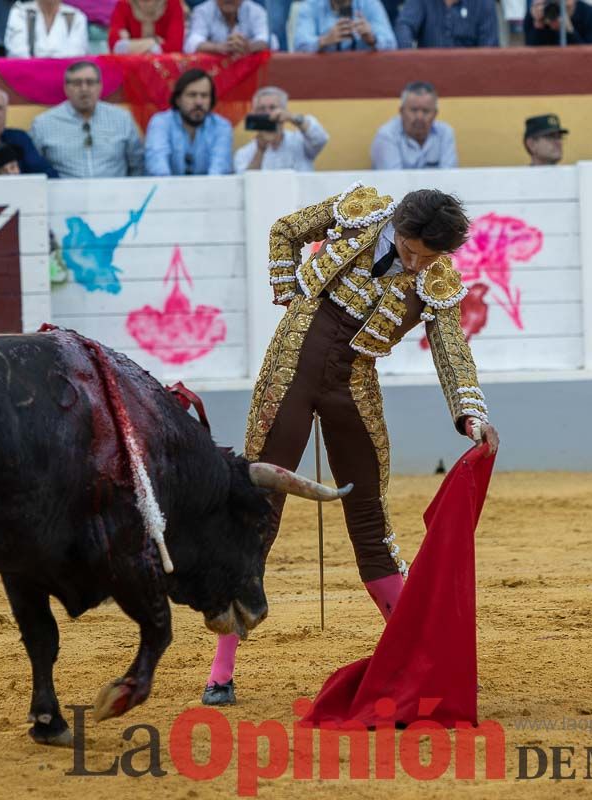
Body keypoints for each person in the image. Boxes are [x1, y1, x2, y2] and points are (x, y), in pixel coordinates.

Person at [202, 184, 499, 706]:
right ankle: (220, 670)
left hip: (353, 384)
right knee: (257, 511)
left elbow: (451, 350)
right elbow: (286, 231)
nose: (413, 263)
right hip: (291, 368)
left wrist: (471, 414)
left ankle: (425, 660)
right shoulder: (361, 211)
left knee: (370, 523)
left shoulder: (439, 277)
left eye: (426, 258)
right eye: (409, 250)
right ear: (400, 225)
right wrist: (292, 297)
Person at [30, 61, 144, 178]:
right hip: (65, 194)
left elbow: (138, 164)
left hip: (115, 193)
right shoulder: (44, 123)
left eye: (90, 82)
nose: (84, 89)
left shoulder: (122, 118)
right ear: (66, 88)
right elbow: (33, 169)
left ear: (100, 86)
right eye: (76, 83)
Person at [145, 68, 233, 176]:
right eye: (192, 95)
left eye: (204, 96)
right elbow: (158, 167)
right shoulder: (161, 123)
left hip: (209, 191)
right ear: (178, 99)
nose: (199, 102)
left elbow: (219, 171)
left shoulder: (221, 126)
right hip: (167, 190)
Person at [233, 86, 329, 173]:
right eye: (261, 109)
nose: (268, 113)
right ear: (255, 114)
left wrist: (292, 118)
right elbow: (245, 183)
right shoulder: (244, 153)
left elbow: (321, 138)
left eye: (273, 107)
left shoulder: (299, 142)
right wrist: (260, 150)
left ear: (283, 111)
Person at [371, 81, 457, 170]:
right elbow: (393, 180)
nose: (419, 117)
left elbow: (448, 177)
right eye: (414, 110)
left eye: (426, 111)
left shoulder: (445, 133)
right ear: (401, 111)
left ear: (435, 114)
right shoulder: (387, 135)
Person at [292, 0, 396, 52]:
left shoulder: (370, 4)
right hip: (323, 75)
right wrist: (324, 41)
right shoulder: (310, 6)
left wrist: (373, 40)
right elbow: (299, 46)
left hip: (364, 73)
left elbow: (392, 44)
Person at [394, 0, 498, 47]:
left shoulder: (484, 3)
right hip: (428, 74)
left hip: (470, 74)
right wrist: (410, 57)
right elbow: (404, 25)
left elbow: (489, 48)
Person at [4, 0, 88, 57]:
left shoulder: (77, 17)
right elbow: (18, 54)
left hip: (64, 79)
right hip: (27, 77)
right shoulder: (19, 13)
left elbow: (76, 55)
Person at [184, 0, 269, 53]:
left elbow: (268, 39)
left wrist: (249, 47)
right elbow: (192, 43)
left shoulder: (255, 10)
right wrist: (217, 47)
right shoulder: (202, 11)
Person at [107, 0, 185, 53]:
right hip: (130, 68)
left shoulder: (172, 4)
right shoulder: (125, 3)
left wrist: (131, 45)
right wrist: (155, 42)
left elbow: (174, 47)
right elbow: (115, 46)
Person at [523, 0, 592, 44]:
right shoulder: (538, 13)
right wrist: (538, 26)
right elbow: (532, 58)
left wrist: (569, 31)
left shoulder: (591, 15)